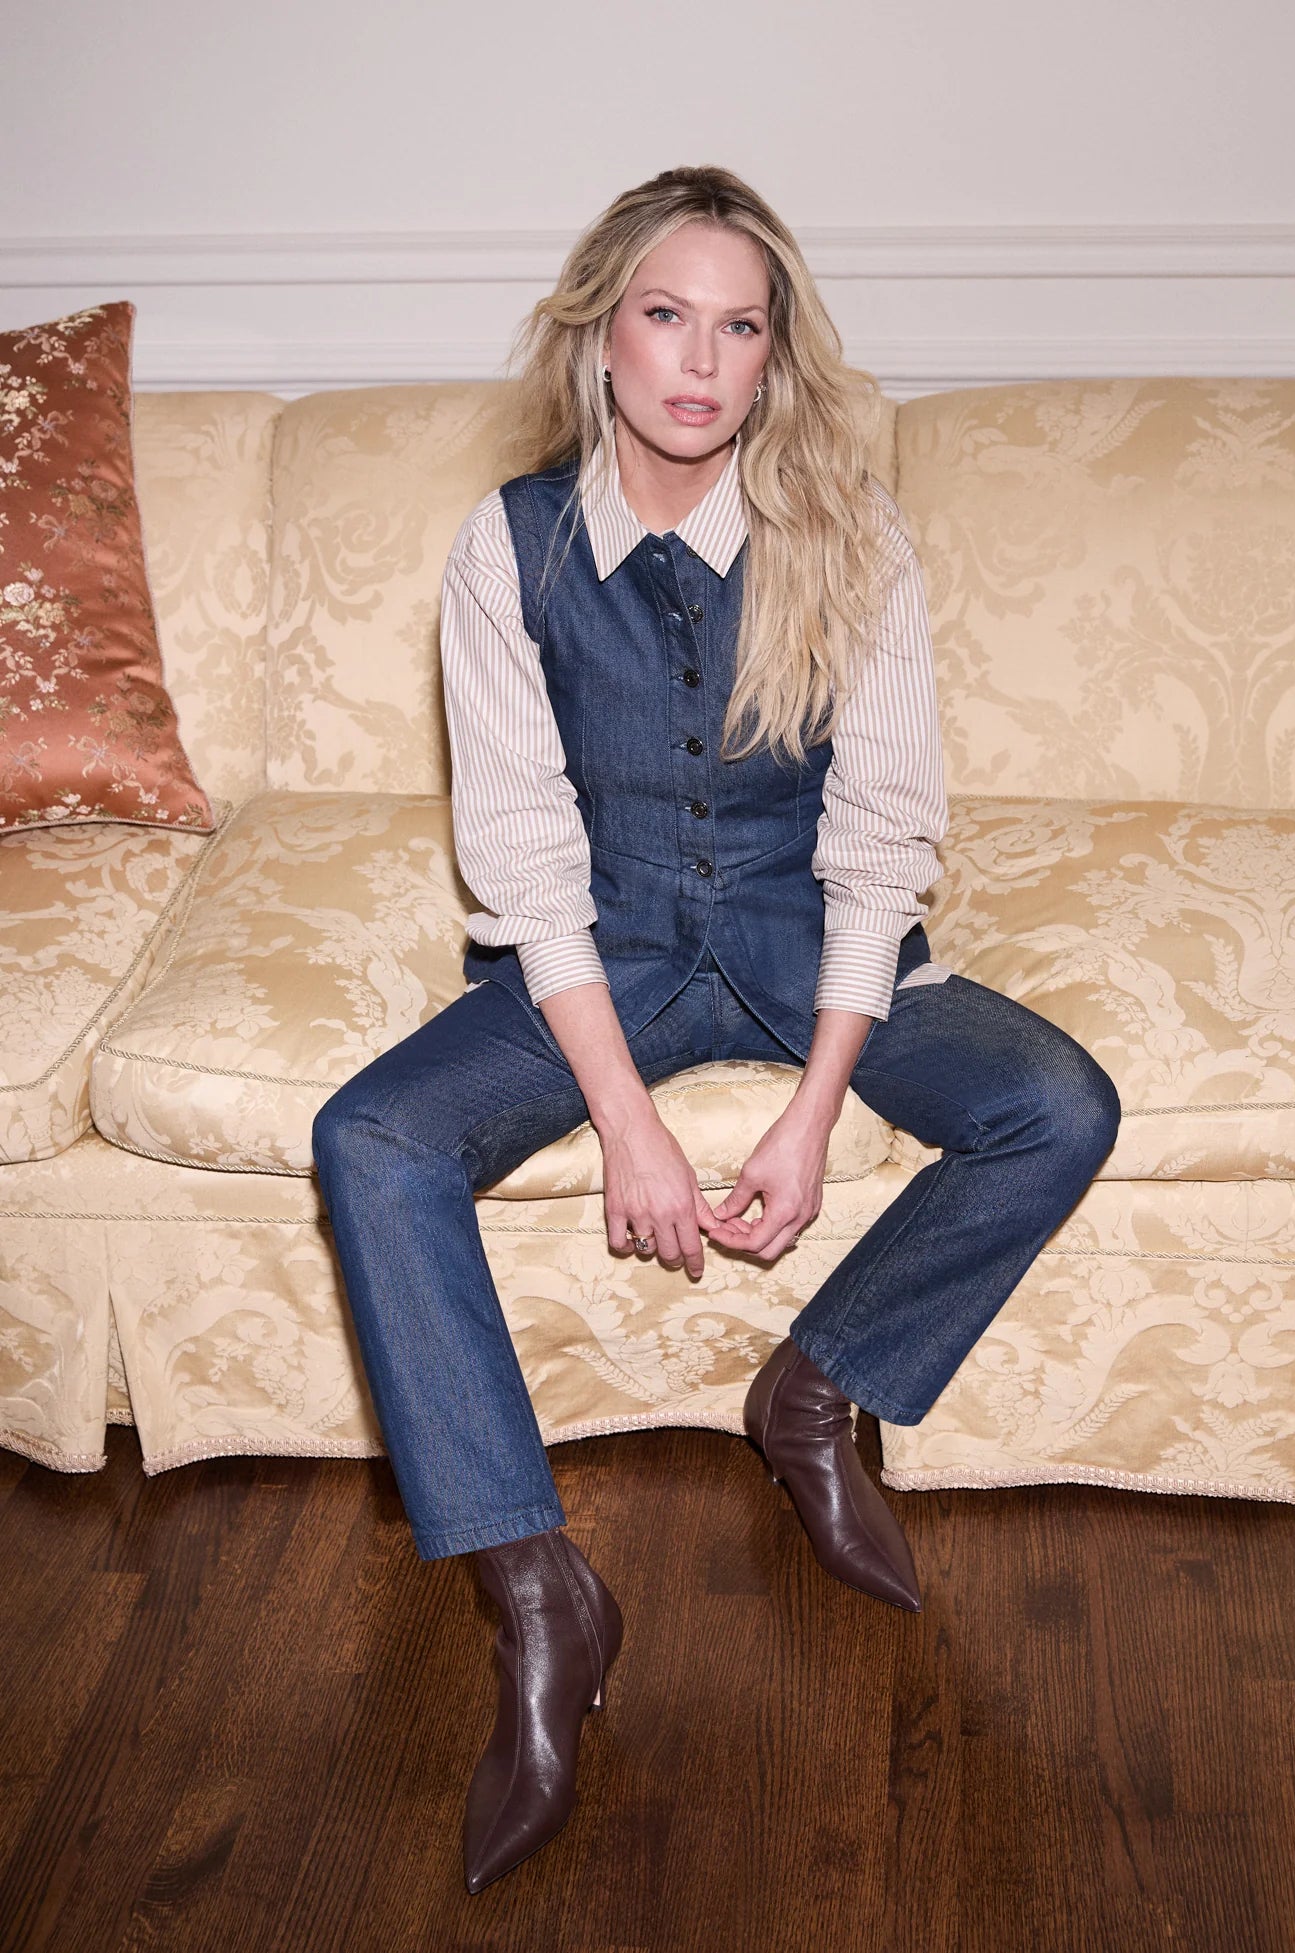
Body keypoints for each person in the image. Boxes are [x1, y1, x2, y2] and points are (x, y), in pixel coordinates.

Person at [311, 164, 1120, 1895]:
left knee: (1055, 1103)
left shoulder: (853, 539)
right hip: (594, 955)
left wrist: (816, 1108)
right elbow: (522, 856)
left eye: (739, 326)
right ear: (603, 336)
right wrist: (627, 1115)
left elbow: (877, 838)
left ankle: (814, 1396)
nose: (701, 359)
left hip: (799, 935)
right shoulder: (507, 546)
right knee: (368, 1141)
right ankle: (543, 1603)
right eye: (666, 317)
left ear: (774, 358)